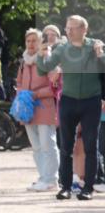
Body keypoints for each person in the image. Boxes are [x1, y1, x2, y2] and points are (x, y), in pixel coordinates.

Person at [36, 15, 105, 200]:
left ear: (84, 29)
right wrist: (41, 55)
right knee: (66, 147)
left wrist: (101, 55)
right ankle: (65, 187)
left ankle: (88, 188)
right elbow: (44, 69)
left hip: (91, 101)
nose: (68, 31)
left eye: (72, 28)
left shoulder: (95, 46)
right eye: (67, 28)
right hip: (68, 100)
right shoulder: (62, 49)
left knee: (91, 146)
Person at [16, 29, 60, 192]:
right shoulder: (23, 61)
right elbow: (19, 83)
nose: (31, 44)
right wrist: (21, 97)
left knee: (48, 143)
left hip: (44, 106)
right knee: (36, 146)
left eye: (34, 40)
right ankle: (43, 177)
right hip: (28, 107)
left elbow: (54, 86)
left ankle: (51, 179)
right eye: (28, 41)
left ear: (41, 42)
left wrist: (35, 94)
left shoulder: (47, 59)